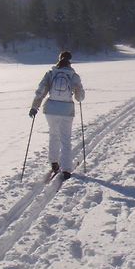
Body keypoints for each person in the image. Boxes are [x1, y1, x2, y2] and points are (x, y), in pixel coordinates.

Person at [29, 51, 85, 180]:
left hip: (51, 110)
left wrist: (34, 107)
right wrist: (78, 96)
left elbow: (41, 91)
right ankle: (66, 169)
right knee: (66, 139)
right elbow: (80, 96)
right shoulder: (73, 75)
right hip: (66, 111)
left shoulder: (50, 73)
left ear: (59, 59)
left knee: (53, 135)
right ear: (70, 61)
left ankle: (54, 163)